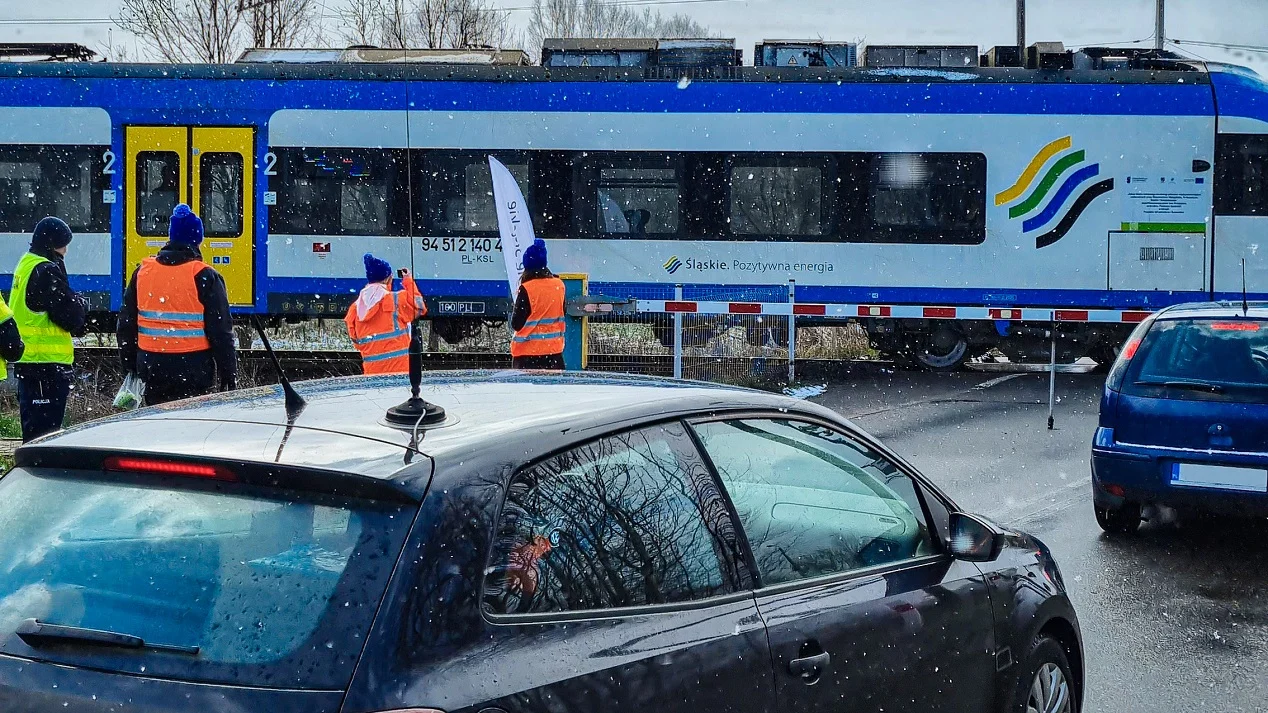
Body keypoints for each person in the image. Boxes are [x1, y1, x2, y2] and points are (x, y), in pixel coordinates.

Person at [118, 204, 236, 405]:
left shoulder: (143, 272)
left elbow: (126, 324)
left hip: (151, 365)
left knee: (158, 420)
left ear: (170, 237)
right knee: (191, 425)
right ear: (197, 240)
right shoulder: (205, 276)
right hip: (194, 368)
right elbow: (221, 331)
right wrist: (228, 373)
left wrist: (131, 366)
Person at [11, 217, 87, 441]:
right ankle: (39, 472)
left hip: (32, 364)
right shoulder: (45, 271)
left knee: (33, 431)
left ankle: (31, 470)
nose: (66, 251)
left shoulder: (27, 263)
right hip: (45, 366)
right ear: (52, 244)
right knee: (45, 435)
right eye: (63, 245)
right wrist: (79, 305)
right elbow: (71, 318)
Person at [345, 253, 427, 375]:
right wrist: (408, 281)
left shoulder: (355, 308)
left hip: (372, 373)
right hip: (401, 371)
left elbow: (357, 343)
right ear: (388, 278)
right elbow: (419, 307)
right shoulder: (396, 300)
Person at [510, 238, 566, 370]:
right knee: (553, 390)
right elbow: (562, 311)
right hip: (554, 354)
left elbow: (516, 324)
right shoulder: (559, 285)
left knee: (527, 390)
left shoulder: (527, 289)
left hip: (526, 355)